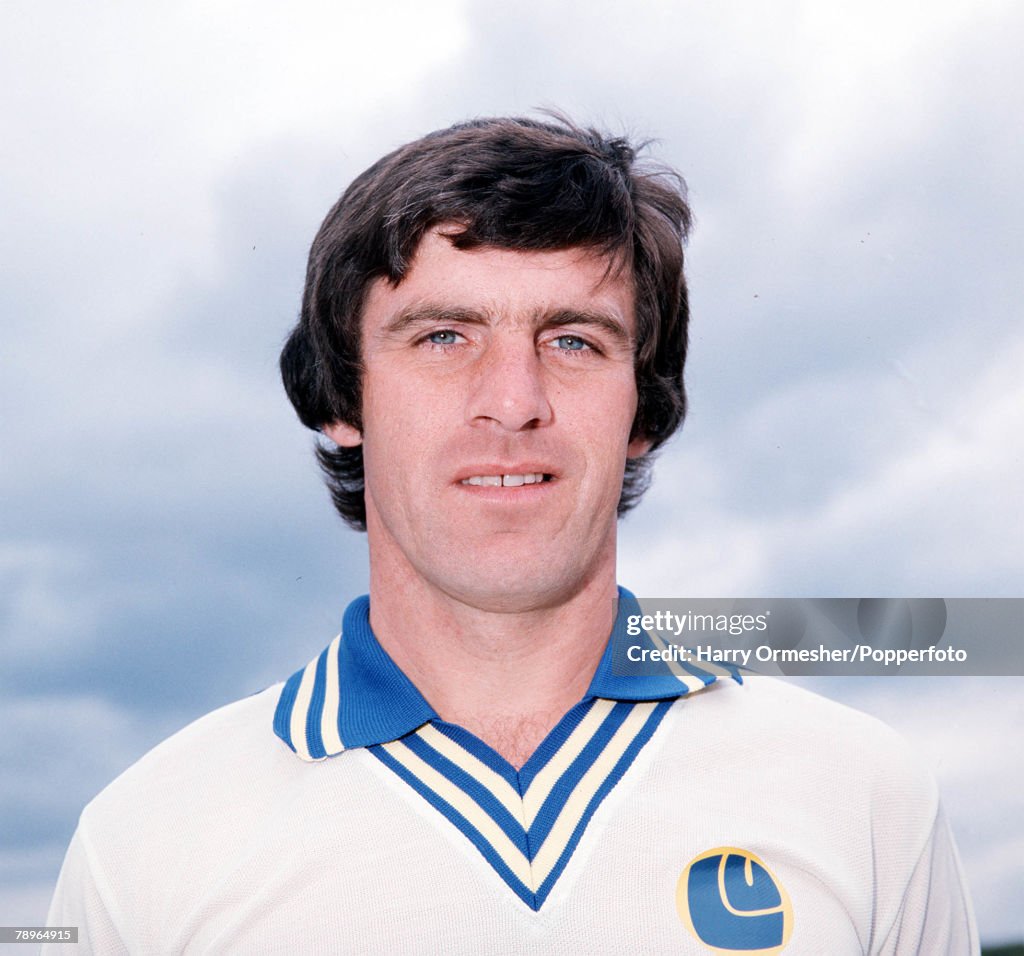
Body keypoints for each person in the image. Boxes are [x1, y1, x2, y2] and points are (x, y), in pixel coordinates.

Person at [47, 115, 978, 954]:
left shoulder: (863, 797)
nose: (513, 403)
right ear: (341, 398)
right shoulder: (144, 846)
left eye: (573, 340)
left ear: (642, 409)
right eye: (444, 336)